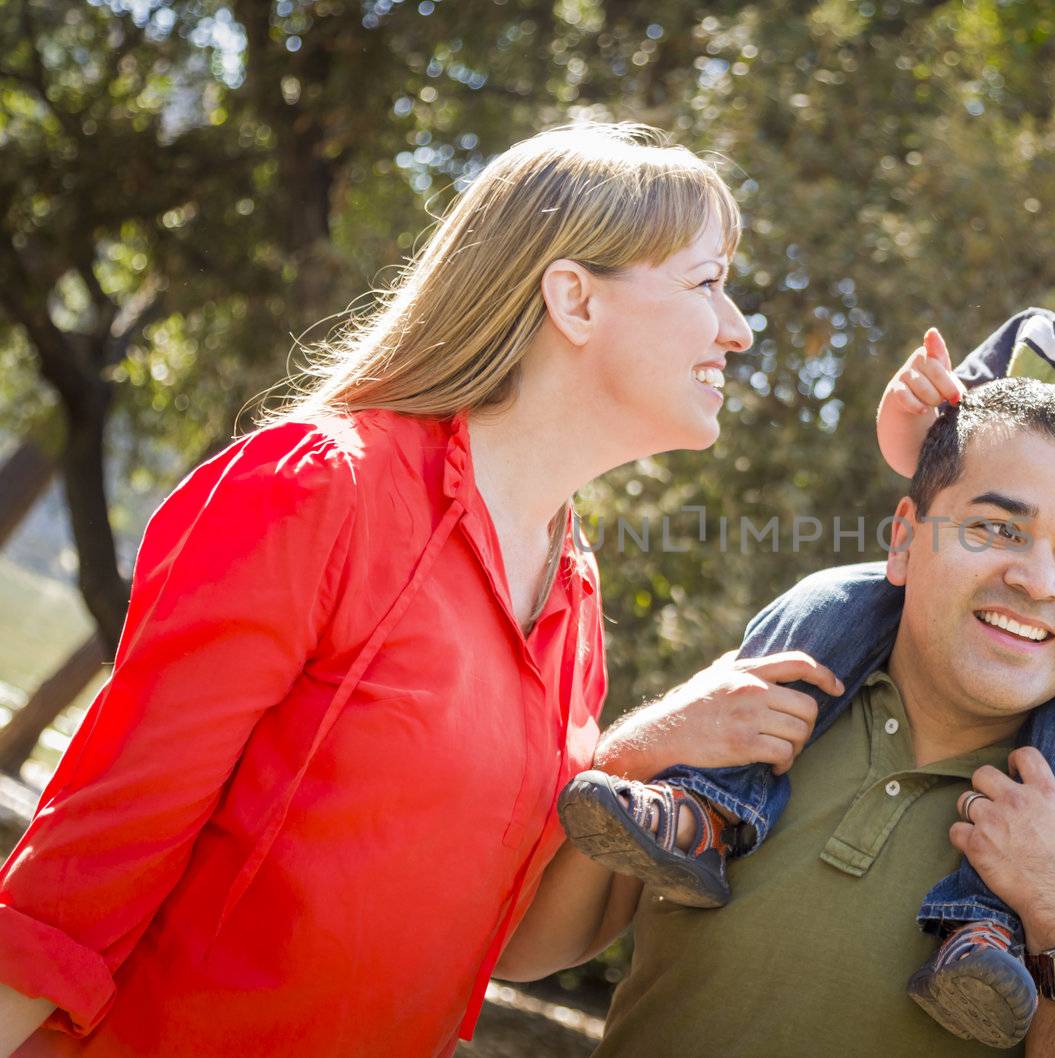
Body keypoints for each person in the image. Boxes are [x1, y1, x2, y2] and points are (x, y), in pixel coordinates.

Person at [0, 123, 844, 1057]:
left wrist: (646, 750)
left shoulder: (573, 593)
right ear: (574, 298)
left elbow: (517, 945)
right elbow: (96, 850)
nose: (741, 328)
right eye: (708, 281)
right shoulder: (322, 487)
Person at [557, 106, 1055, 1046]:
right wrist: (905, 407)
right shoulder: (1038, 343)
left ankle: (982, 925)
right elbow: (925, 461)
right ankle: (713, 810)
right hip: (881, 613)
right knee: (825, 599)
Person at [512, 380, 1055, 1058]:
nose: (1038, 581)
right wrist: (633, 751)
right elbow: (524, 953)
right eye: (997, 528)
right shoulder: (738, 729)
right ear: (906, 539)